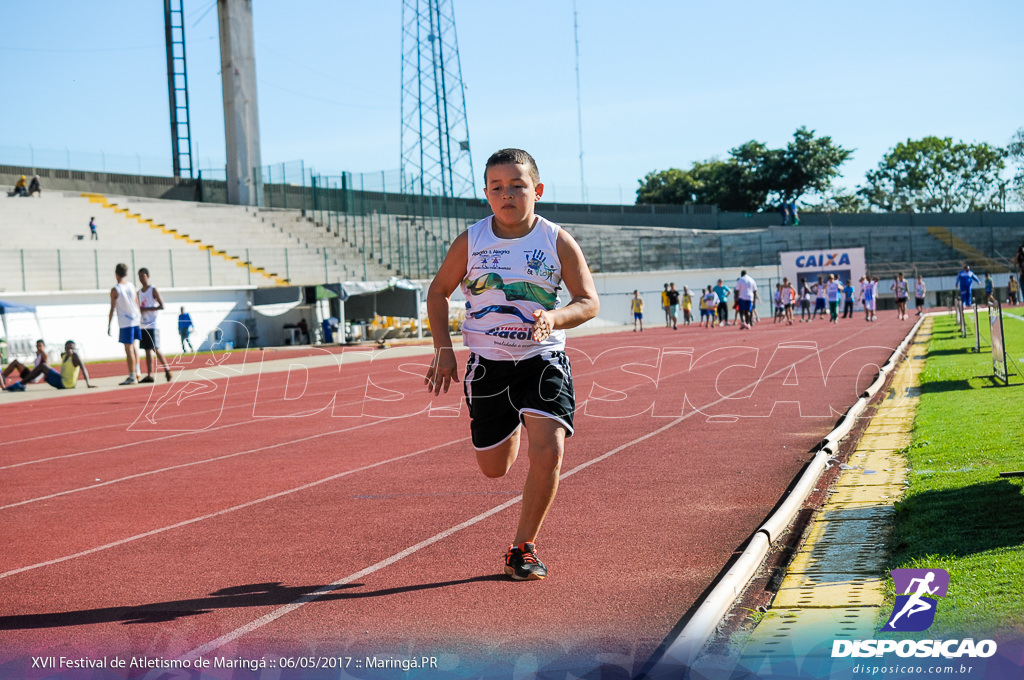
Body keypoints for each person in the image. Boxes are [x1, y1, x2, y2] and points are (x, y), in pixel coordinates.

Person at [424, 148, 599, 581]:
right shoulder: (472, 240)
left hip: (543, 359)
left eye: (517, 186)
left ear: (536, 191)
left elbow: (588, 301)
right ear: (486, 195)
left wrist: (554, 317)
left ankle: (523, 548)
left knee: (550, 448)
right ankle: (517, 423)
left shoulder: (556, 240)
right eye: (497, 187)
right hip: (489, 365)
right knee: (493, 467)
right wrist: (443, 348)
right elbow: (438, 292)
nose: (508, 194)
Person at [2, 340, 95, 391]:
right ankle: (15, 381)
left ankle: (21, 384)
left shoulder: (75, 356)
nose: (69, 350)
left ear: (74, 349)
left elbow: (83, 368)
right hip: (60, 380)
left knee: (43, 366)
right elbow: (62, 354)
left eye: (71, 348)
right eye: (67, 347)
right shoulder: (64, 355)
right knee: (41, 367)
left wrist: (88, 383)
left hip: (66, 384)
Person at [107, 262, 141, 385]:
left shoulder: (116, 289)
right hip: (135, 319)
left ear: (116, 274)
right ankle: (137, 371)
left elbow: (112, 308)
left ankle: (132, 376)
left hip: (125, 321)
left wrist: (109, 324)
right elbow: (137, 302)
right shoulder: (132, 286)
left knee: (128, 349)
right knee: (134, 347)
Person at [137, 268, 173, 383]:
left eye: (143, 276)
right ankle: (150, 374)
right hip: (143, 324)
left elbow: (162, 305)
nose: (141, 278)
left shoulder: (153, 289)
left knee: (155, 348)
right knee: (147, 350)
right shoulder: (139, 292)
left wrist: (147, 309)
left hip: (153, 324)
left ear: (147, 276)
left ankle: (167, 369)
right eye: (139, 276)